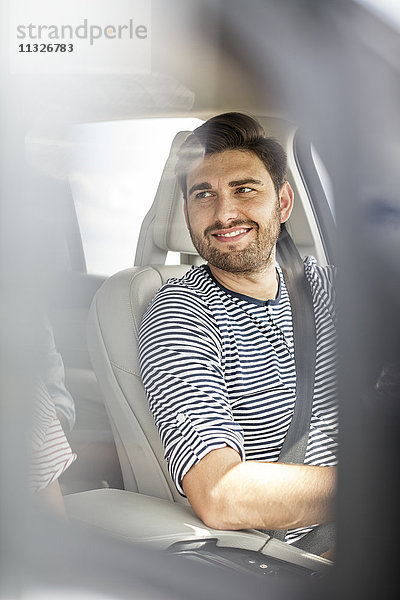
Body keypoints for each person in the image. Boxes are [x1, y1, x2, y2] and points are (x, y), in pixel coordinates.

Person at [139, 113, 338, 545]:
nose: (225, 214)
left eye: (244, 189)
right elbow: (220, 493)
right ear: (188, 212)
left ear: (282, 203)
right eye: (203, 195)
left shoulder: (328, 289)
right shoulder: (181, 314)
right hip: (302, 555)